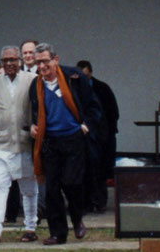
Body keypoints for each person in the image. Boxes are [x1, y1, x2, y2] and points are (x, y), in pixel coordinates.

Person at [29, 44, 102, 245]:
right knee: (52, 189)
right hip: (50, 141)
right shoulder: (35, 85)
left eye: (45, 61)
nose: (42, 66)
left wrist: (86, 124)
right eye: (38, 62)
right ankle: (58, 233)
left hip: (73, 139)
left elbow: (93, 106)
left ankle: (77, 218)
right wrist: (33, 126)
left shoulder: (74, 77)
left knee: (71, 183)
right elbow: (35, 113)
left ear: (56, 60)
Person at [0, 45, 39, 244]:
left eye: (13, 59)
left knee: (28, 188)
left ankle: (30, 226)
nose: (10, 63)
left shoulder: (31, 80)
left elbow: (37, 108)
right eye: (6, 60)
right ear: (1, 62)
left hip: (25, 144)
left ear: (20, 60)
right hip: (1, 145)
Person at [78, 60, 119, 213]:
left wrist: (105, 134)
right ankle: (86, 202)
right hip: (82, 139)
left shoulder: (102, 89)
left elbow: (113, 113)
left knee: (100, 172)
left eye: (87, 76)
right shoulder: (73, 89)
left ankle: (100, 202)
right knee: (83, 173)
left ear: (91, 74)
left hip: (101, 138)